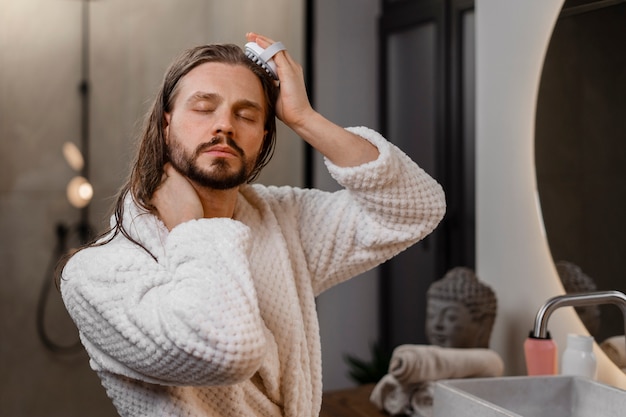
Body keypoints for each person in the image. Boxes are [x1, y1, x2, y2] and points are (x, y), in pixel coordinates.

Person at [59, 32, 446, 417]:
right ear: (166, 122)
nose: (224, 125)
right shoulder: (97, 273)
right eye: (204, 108)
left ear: (263, 137)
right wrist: (192, 227)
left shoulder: (282, 222)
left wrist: (304, 118)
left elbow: (415, 207)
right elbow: (227, 352)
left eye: (246, 115)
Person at [425, 267, 497, 349]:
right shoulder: (423, 359)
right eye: (431, 315)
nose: (437, 325)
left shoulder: (486, 361)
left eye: (451, 318)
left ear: (483, 325)